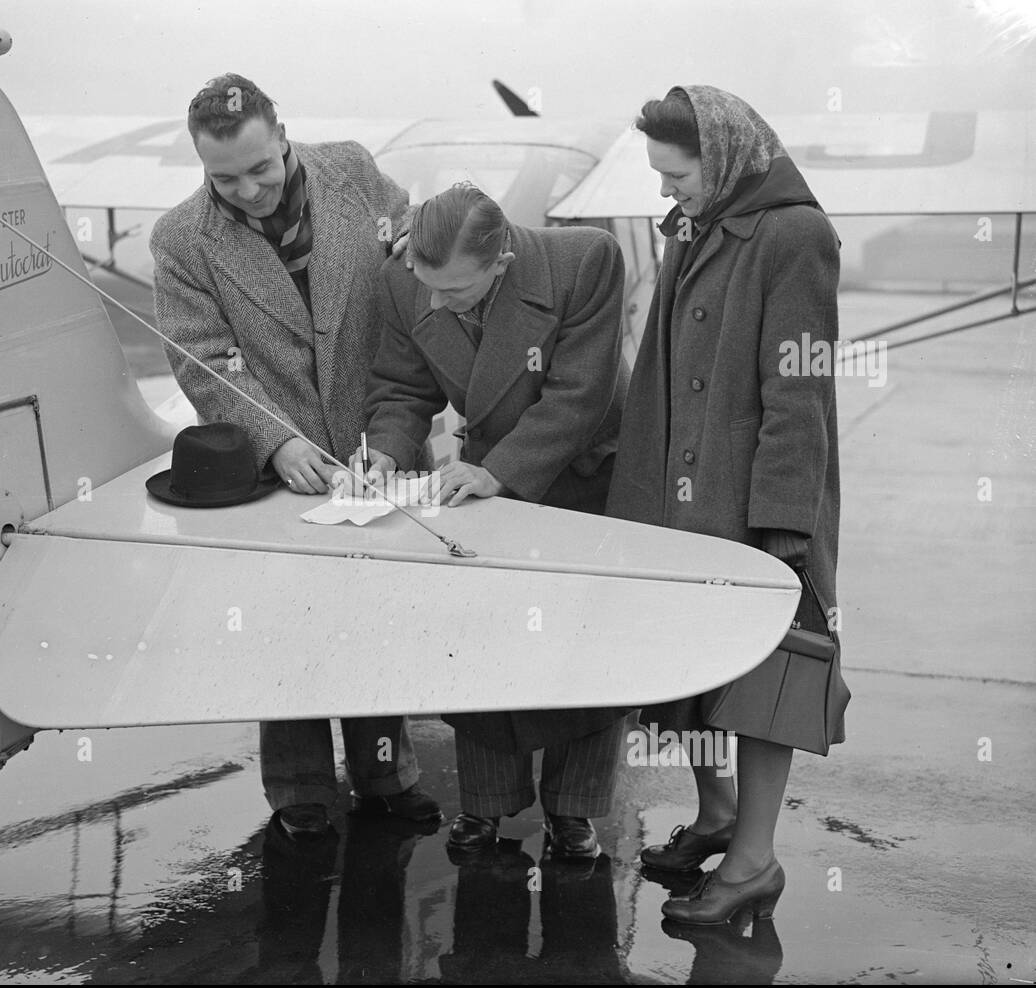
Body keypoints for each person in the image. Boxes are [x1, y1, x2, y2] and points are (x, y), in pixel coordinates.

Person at [150, 74, 439, 839]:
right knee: (285, 621)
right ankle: (302, 792)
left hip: (382, 434)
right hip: (280, 461)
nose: (246, 190)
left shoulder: (354, 169)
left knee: (380, 616)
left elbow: (411, 238)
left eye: (260, 168)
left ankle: (387, 775)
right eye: (224, 177)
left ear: (283, 137)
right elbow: (202, 357)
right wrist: (275, 441)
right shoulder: (181, 240)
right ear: (200, 163)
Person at [606, 86, 844, 922]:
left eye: (677, 176)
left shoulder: (797, 235)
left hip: (752, 504)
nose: (666, 192)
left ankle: (752, 864)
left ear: (727, 158)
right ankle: (715, 815)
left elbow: (800, 385)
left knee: (768, 675)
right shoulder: (695, 224)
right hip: (679, 491)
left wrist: (784, 528)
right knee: (692, 666)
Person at [359, 182, 631, 859]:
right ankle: (484, 808)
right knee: (480, 643)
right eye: (427, 287)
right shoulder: (405, 280)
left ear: (502, 263)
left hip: (581, 478)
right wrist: (384, 455)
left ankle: (574, 812)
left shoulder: (586, 262)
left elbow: (581, 394)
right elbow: (401, 388)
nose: (435, 303)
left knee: (586, 652)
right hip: (482, 483)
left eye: (455, 293)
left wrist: (498, 471)